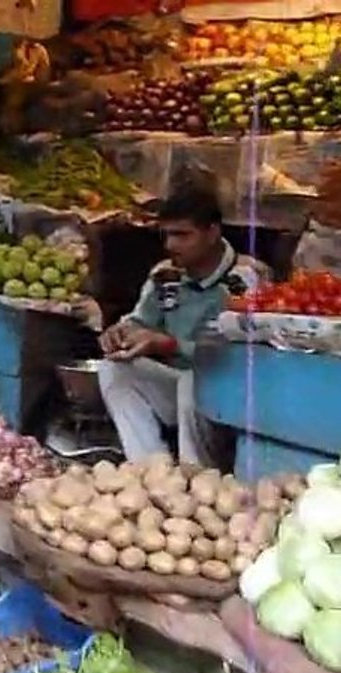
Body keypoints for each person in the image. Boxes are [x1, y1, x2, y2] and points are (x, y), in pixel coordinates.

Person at [97, 187, 267, 467]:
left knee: (194, 379)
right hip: (173, 388)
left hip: (227, 396)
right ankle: (151, 469)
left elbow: (232, 357)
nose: (170, 245)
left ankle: (196, 473)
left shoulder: (244, 279)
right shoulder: (166, 274)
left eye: (182, 235)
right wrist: (123, 332)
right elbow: (142, 321)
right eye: (167, 235)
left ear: (212, 233)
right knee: (114, 369)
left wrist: (168, 344)